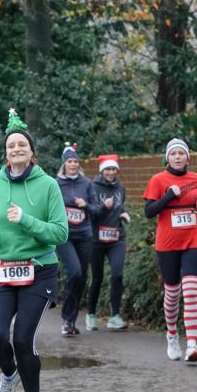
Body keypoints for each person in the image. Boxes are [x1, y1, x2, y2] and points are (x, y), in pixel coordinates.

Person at [0, 109, 68, 392]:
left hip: (38, 270)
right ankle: (9, 373)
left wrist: (26, 221)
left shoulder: (48, 185)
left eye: (22, 145)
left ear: (31, 152)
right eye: (11, 146)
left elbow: (60, 232)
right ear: (6, 152)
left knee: (23, 340)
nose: (16, 149)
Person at [144, 138, 197, 362]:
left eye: (182, 153)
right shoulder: (158, 180)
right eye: (174, 154)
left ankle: (192, 344)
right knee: (172, 294)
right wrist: (169, 195)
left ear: (188, 157)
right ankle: (172, 334)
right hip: (168, 243)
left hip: (193, 240)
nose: (178, 157)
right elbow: (149, 211)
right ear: (167, 158)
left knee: (190, 290)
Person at [55, 142, 100, 336]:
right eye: (70, 161)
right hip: (64, 236)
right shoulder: (55, 183)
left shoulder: (87, 184)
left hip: (84, 235)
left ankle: (70, 321)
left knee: (81, 276)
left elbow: (97, 209)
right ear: (64, 163)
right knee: (73, 272)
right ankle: (66, 316)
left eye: (75, 161)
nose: (73, 164)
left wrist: (86, 205)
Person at [87, 154, 131, 330]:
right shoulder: (92, 187)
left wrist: (123, 213)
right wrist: (103, 207)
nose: (111, 172)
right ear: (102, 171)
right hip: (96, 239)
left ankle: (115, 316)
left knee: (118, 275)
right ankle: (91, 315)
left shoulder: (120, 188)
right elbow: (90, 211)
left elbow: (120, 206)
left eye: (114, 169)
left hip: (116, 238)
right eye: (107, 169)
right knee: (97, 278)